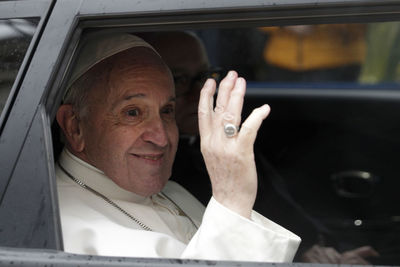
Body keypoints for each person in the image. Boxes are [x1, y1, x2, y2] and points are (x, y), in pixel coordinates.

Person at [55, 31, 300, 261]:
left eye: (167, 110)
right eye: (132, 113)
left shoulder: (171, 191)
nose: (162, 138)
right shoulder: (68, 232)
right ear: (75, 126)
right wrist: (231, 200)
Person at [146, 30, 379, 264]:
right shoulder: (152, 168)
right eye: (179, 79)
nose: (201, 93)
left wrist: (318, 246)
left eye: (205, 77)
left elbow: (276, 201)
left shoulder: (219, 141)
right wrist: (306, 253)